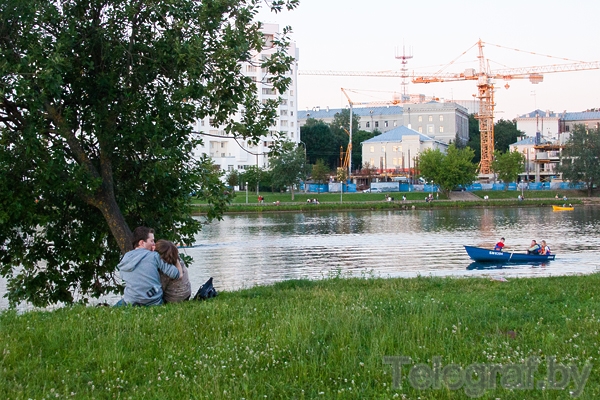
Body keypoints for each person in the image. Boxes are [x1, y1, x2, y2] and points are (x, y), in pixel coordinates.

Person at [115, 227, 181, 306]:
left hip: (131, 301)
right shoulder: (154, 256)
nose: (154, 244)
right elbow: (176, 274)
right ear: (142, 243)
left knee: (119, 305)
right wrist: (176, 259)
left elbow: (123, 276)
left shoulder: (125, 258)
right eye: (152, 241)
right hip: (153, 301)